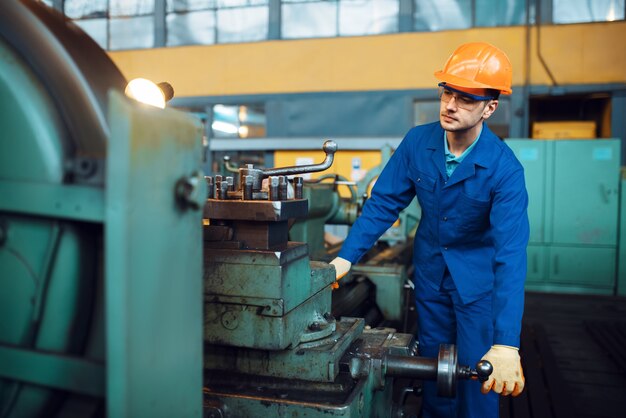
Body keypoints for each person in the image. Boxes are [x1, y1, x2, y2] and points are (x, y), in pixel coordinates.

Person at [330, 42, 529, 418]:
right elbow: (385, 203)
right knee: (435, 371)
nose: (450, 105)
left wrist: (506, 344)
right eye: (447, 92)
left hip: (476, 286)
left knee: (477, 375)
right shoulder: (417, 143)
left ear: (490, 107)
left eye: (466, 99)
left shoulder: (505, 171)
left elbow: (511, 256)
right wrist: (344, 257)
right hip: (431, 277)